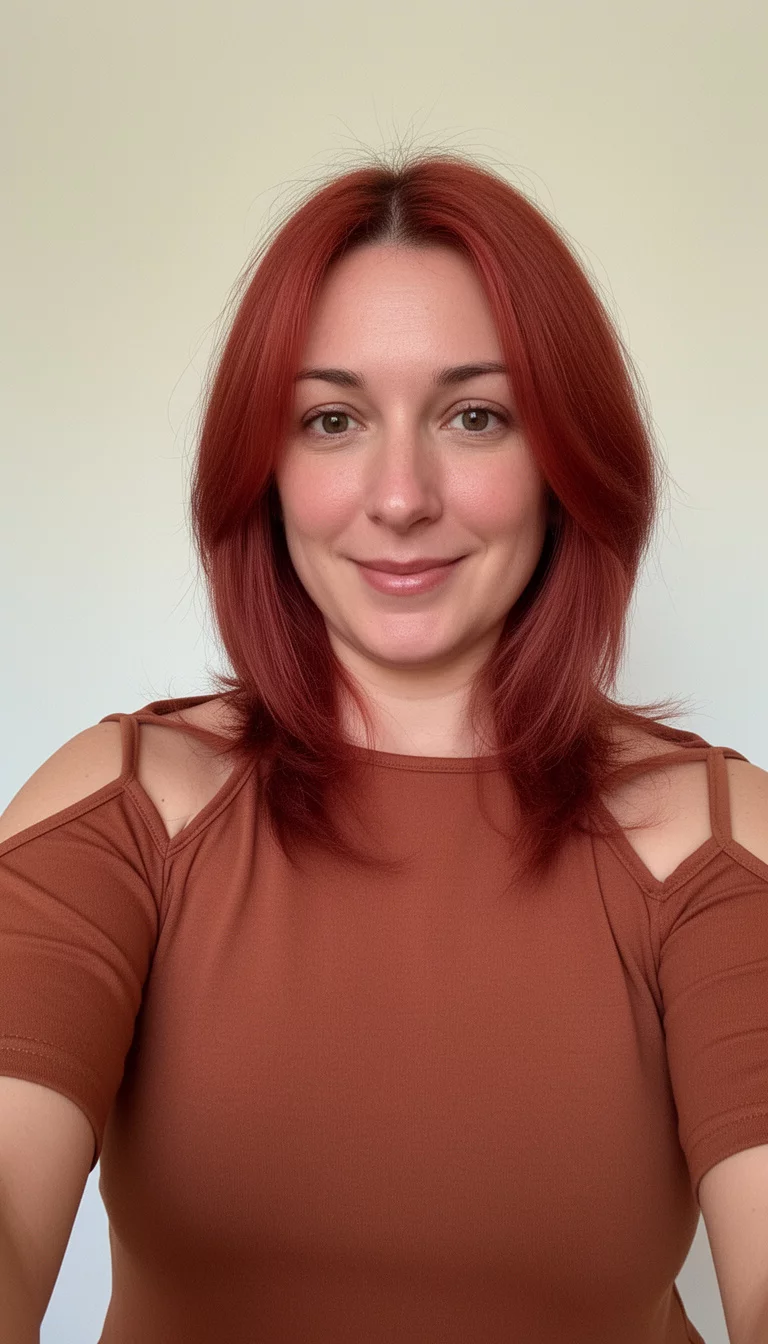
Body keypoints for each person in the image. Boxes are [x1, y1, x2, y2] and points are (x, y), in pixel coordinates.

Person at [1, 150, 767, 1344]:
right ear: (265, 468)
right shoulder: (125, 807)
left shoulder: (711, 841)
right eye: (332, 418)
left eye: (475, 415)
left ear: (564, 460)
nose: (400, 494)